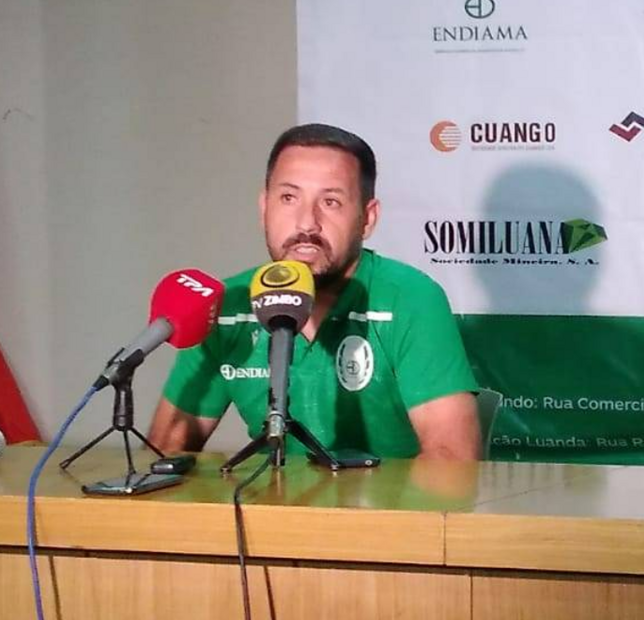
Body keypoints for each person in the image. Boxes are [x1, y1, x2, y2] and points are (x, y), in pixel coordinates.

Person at [148, 123, 480, 460]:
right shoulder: (227, 306)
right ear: (264, 208)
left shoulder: (410, 298)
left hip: (390, 495)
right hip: (267, 494)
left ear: (367, 219)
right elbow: (165, 452)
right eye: (288, 198)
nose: (307, 223)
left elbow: (452, 458)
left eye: (331, 202)